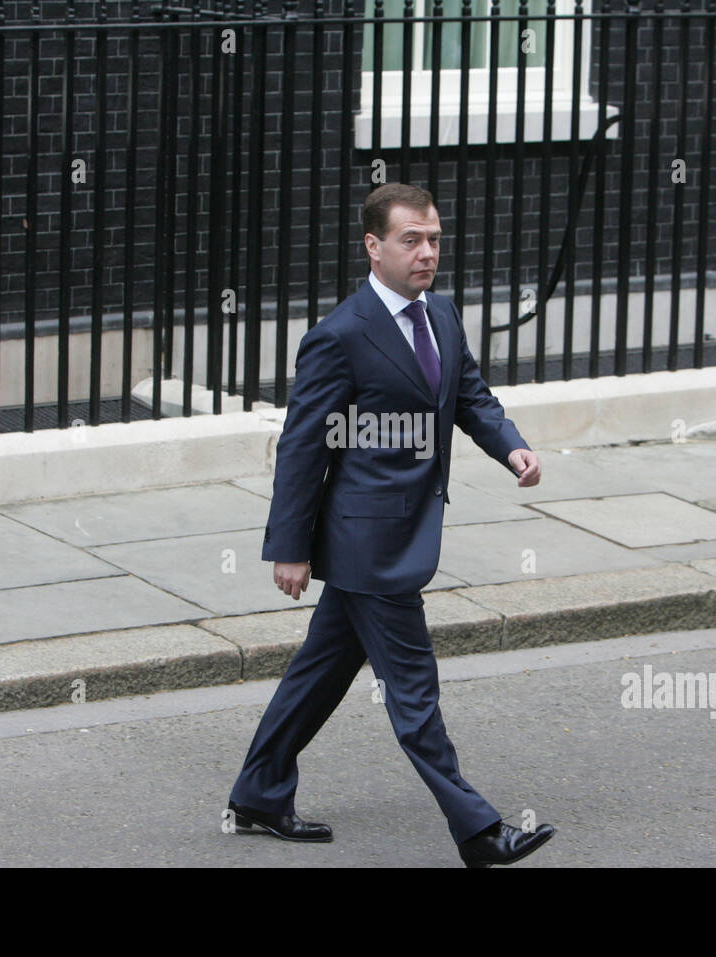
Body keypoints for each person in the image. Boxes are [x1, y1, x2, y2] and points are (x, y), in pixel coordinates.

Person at [226, 182, 555, 867]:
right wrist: (289, 547)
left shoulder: (441, 313)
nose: (427, 252)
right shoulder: (340, 336)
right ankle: (479, 829)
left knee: (318, 672)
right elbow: (302, 445)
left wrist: (510, 445)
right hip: (367, 541)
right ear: (373, 247)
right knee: (413, 689)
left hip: (396, 532)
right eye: (411, 239)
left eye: (434, 238)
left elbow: (468, 393)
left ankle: (259, 790)